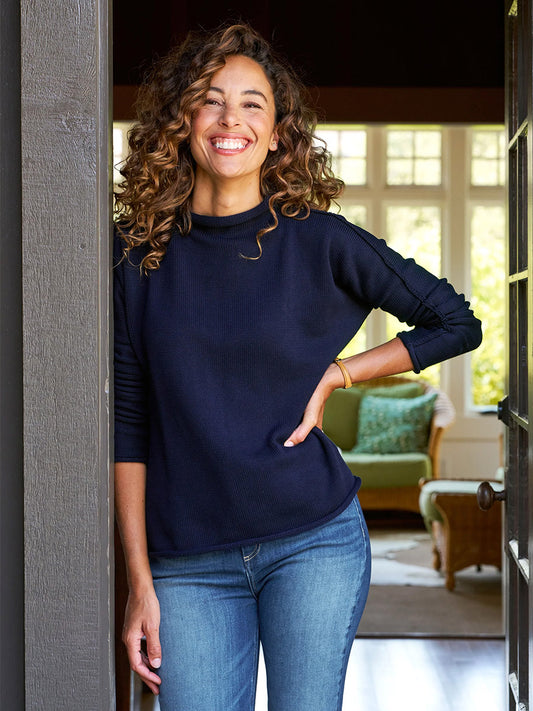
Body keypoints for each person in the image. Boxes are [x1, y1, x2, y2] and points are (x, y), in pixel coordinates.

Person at [113, 22, 482, 711]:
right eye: (210, 99)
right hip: (185, 561)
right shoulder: (138, 255)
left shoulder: (320, 240)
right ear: (181, 120)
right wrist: (138, 581)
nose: (231, 119)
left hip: (313, 542)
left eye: (253, 103)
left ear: (279, 131)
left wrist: (336, 375)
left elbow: (455, 323)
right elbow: (128, 420)